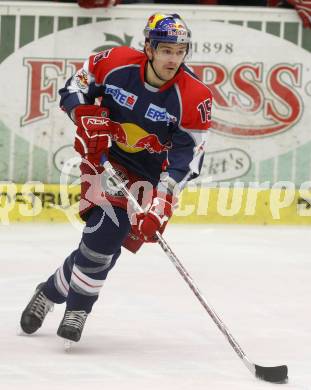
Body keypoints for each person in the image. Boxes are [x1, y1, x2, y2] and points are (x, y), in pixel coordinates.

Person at [20, 13, 212, 345]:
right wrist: (80, 113)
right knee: (108, 229)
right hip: (106, 157)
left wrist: (161, 204)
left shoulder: (194, 96)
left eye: (180, 52)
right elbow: (76, 86)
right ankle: (78, 310)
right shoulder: (116, 62)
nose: (173, 59)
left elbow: (188, 157)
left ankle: (50, 291)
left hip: (151, 176)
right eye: (166, 50)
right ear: (149, 48)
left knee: (111, 243)